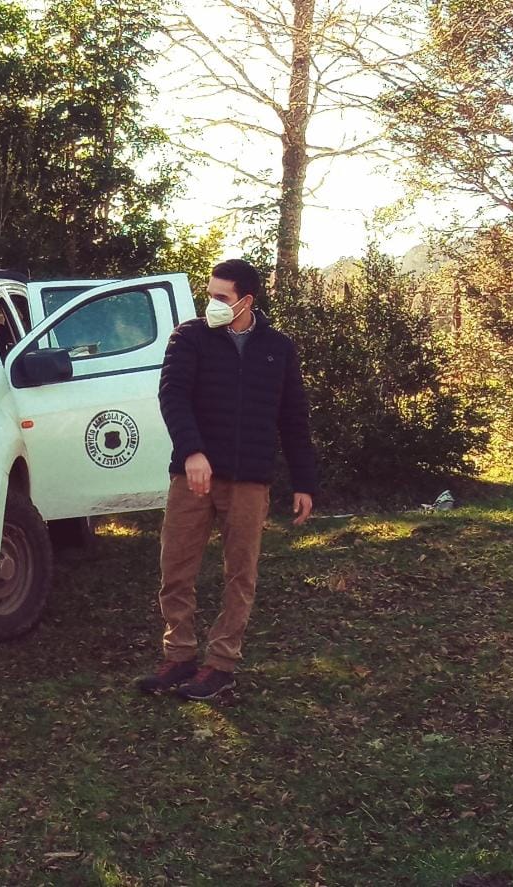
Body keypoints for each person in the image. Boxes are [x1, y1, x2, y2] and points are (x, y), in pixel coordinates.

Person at [138, 259, 318, 701]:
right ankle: (179, 655)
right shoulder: (189, 337)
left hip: (250, 479)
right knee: (175, 567)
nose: (212, 303)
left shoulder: (278, 348)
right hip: (193, 476)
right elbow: (172, 396)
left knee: (241, 573)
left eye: (221, 297)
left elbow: (294, 418)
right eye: (210, 294)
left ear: (247, 301)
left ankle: (221, 664)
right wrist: (193, 451)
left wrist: (304, 482)